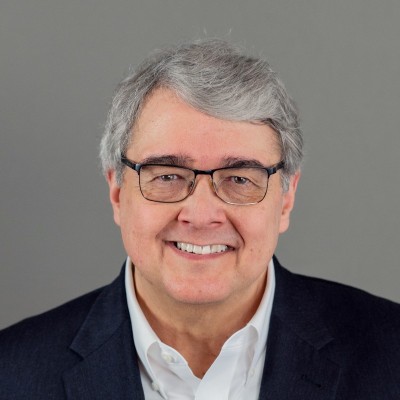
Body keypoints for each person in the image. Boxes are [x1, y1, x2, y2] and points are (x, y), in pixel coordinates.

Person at [1, 39, 399, 400]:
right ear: (117, 192)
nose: (201, 215)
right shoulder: (11, 375)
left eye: (239, 179)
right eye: (167, 176)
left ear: (286, 199)